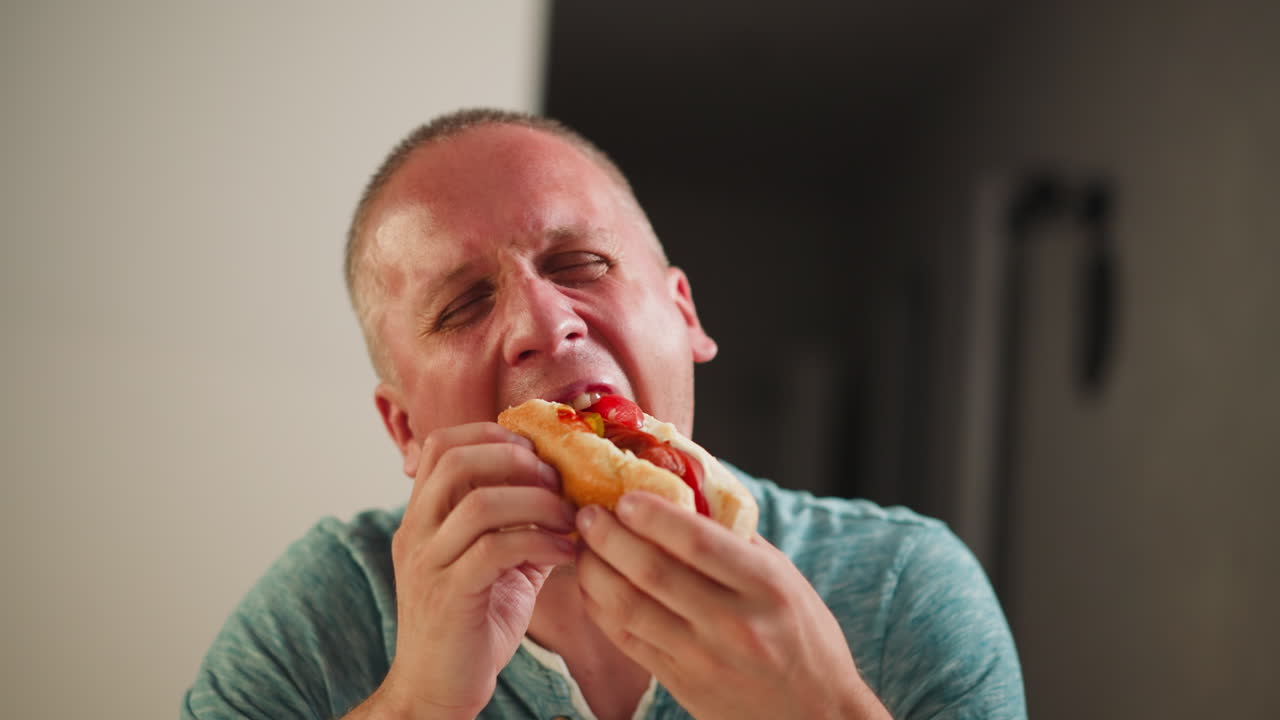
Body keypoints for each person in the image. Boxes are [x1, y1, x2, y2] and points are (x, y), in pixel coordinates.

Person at [182, 108, 1026, 720]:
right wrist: (418, 705)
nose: (546, 323)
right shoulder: (330, 606)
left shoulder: (902, 589)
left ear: (686, 316)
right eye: (466, 303)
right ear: (405, 429)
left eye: (580, 263)